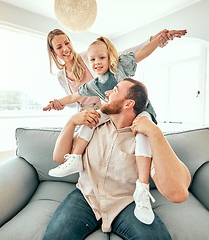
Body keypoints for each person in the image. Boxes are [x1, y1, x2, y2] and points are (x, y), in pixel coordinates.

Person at [44, 32, 187, 224]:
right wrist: (62, 109)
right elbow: (74, 98)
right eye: (93, 59)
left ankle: (142, 187)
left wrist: (156, 40)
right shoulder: (92, 85)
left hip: (138, 113)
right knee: (92, 119)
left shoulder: (118, 69)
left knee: (141, 132)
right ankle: (76, 158)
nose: (96, 62)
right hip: (103, 111)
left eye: (101, 58)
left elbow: (139, 52)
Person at [42, 78, 191, 240]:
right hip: (86, 197)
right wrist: (71, 122)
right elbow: (59, 157)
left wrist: (156, 133)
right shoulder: (93, 126)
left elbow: (178, 194)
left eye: (115, 90)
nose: (107, 92)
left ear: (128, 104)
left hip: (125, 203)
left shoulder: (145, 139)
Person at [44, 28, 185, 112]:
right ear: (53, 51)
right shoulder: (63, 77)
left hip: (106, 106)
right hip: (85, 112)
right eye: (59, 47)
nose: (66, 49)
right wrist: (59, 103)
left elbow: (127, 55)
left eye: (67, 43)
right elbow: (74, 99)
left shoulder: (90, 55)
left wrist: (155, 40)